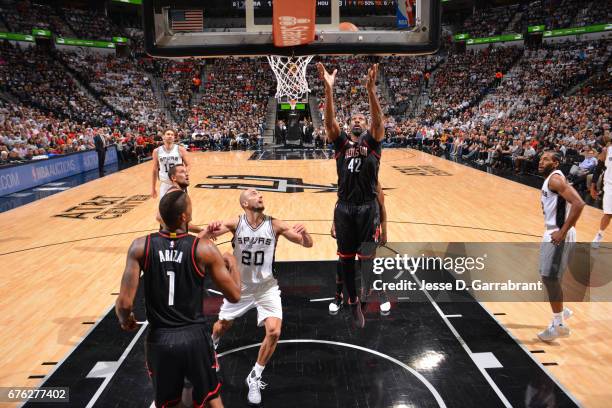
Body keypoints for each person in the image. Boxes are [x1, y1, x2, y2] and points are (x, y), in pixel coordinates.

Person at [115, 190, 242, 407]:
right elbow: (235, 295)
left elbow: (125, 303)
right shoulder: (204, 248)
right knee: (211, 397)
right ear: (184, 217)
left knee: (169, 403)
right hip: (195, 338)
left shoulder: (140, 246)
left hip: (160, 338)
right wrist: (233, 264)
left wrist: (124, 319)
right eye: (190, 206)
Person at [202, 188, 313, 406]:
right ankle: (213, 345)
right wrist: (207, 230)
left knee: (274, 331)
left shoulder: (275, 225)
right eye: (254, 194)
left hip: (266, 288)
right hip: (240, 288)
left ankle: (255, 375)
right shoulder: (235, 223)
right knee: (220, 327)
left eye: (260, 194)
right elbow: (202, 241)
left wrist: (306, 233)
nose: (259, 195)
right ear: (244, 203)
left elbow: (307, 244)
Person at [317, 61, 385, 328]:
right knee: (344, 256)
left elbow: (379, 121)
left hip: (368, 207)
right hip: (344, 207)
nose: (357, 121)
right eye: (354, 119)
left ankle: (366, 295)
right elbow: (329, 121)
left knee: (366, 258)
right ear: (349, 125)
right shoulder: (341, 142)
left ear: (365, 124)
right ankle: (353, 300)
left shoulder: (373, 141)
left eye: (361, 119)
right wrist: (329, 90)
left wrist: (371, 91)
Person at [537, 152, 585, 342]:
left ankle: (558, 324)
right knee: (547, 276)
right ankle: (561, 310)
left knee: (550, 277)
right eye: (541, 159)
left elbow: (579, 204)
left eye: (546, 159)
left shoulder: (555, 179)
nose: (541, 161)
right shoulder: (553, 179)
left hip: (558, 232)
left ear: (555, 163)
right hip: (552, 231)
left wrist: (563, 232)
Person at [329, 182, 389, 316]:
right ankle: (338, 297)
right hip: (348, 225)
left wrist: (384, 231)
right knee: (342, 262)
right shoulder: (347, 179)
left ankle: (382, 294)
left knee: (368, 263)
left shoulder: (374, 183)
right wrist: (334, 223)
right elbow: (339, 203)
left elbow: (382, 207)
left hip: (368, 226)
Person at [152, 129, 190, 199]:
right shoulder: (156, 151)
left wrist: (183, 174)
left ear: (174, 138)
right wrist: (153, 188)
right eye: (168, 134)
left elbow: (188, 165)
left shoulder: (180, 149)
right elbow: (155, 170)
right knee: (165, 208)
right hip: (165, 183)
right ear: (163, 136)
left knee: (181, 208)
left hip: (179, 184)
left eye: (172, 135)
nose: (170, 136)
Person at [590, 136, 611, 248]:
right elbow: (598, 169)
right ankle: (599, 235)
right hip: (610, 185)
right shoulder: (607, 151)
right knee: (608, 213)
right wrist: (593, 186)